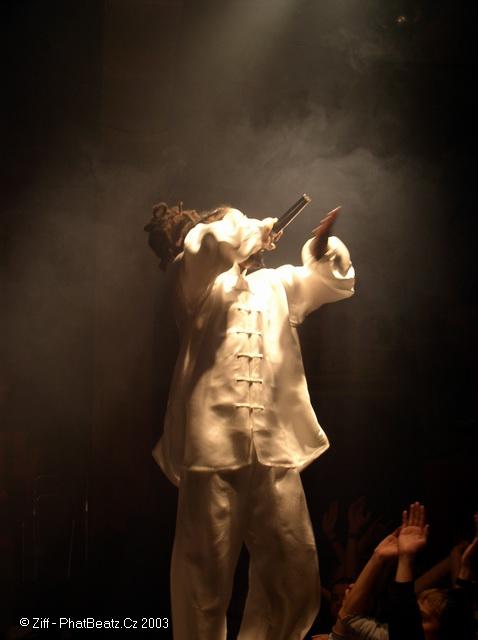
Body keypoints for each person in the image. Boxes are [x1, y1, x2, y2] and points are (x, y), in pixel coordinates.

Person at [145, 200, 355, 640]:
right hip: (212, 452)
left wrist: (321, 251)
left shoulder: (275, 284)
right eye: (234, 223)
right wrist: (254, 227)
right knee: (203, 582)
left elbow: (330, 282)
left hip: (274, 451)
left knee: (295, 572)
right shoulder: (197, 281)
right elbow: (207, 243)